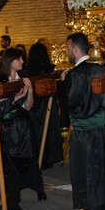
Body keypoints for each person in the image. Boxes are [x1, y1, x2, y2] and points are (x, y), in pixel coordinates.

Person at [62, 32, 105, 210]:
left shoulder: (76, 74)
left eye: (67, 48)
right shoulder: (99, 70)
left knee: (87, 175)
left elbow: (71, 102)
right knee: (100, 172)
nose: (66, 52)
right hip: (99, 129)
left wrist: (64, 84)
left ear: (75, 49)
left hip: (84, 132)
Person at [0, 47, 45, 210]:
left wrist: (30, 91)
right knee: (12, 168)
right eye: (19, 59)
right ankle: (12, 203)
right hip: (8, 131)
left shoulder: (22, 80)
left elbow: (28, 107)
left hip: (23, 127)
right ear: (11, 61)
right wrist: (14, 99)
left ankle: (30, 192)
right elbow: (0, 111)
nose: (23, 62)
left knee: (26, 162)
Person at [25, 41, 63, 169]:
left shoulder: (28, 71)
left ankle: (41, 158)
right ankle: (50, 157)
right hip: (46, 104)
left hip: (35, 106)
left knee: (38, 132)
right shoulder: (46, 70)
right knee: (49, 130)